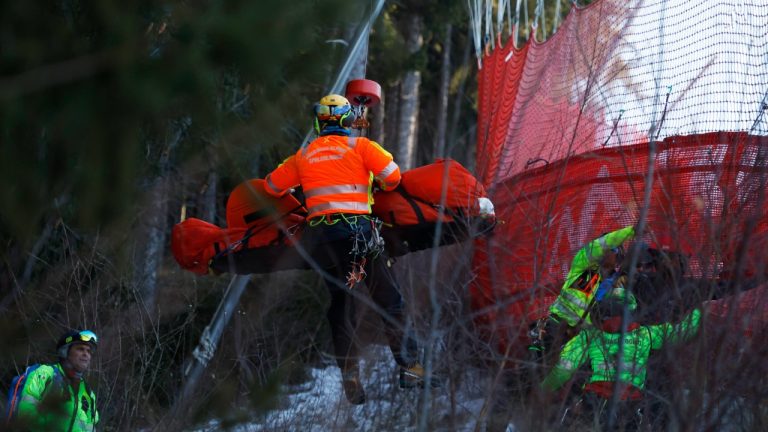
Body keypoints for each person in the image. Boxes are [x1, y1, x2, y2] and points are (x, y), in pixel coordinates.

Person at [263, 94, 426, 404]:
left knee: (342, 307)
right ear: (348, 121)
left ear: (319, 122)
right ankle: (412, 371)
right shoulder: (361, 147)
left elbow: (272, 187)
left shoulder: (304, 154)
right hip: (358, 236)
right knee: (389, 301)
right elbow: (393, 178)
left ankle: (350, 378)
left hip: (323, 242)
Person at [540, 288, 701, 430]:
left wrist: (542, 391)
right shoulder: (645, 334)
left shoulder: (589, 336)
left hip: (593, 402)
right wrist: (701, 311)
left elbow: (564, 369)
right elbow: (680, 333)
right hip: (629, 404)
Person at [530, 226, 636, 358]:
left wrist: (620, 289)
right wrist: (632, 231)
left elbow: (625, 306)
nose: (615, 262)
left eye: (616, 255)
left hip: (578, 337)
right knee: (539, 362)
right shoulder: (582, 263)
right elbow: (600, 245)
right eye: (614, 254)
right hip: (557, 325)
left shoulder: (611, 282)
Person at [12, 329, 99, 431]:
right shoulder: (46, 374)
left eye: (89, 351)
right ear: (65, 352)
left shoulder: (88, 393)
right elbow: (25, 413)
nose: (86, 354)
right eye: (80, 349)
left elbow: (90, 428)